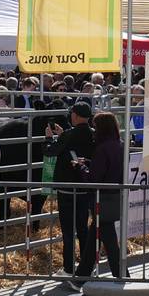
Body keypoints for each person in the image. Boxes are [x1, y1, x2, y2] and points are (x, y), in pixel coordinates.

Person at [48, 101, 98, 276]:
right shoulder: (93, 134)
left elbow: (50, 151)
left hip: (67, 188)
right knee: (83, 228)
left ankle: (69, 268)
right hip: (85, 187)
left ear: (74, 115)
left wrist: (49, 138)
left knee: (68, 231)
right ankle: (85, 268)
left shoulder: (69, 134)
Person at [81, 112, 126, 279]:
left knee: (109, 241)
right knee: (96, 235)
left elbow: (94, 179)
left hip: (101, 197)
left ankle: (122, 274)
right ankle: (82, 275)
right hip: (114, 194)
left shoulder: (101, 149)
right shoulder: (120, 145)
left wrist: (82, 169)